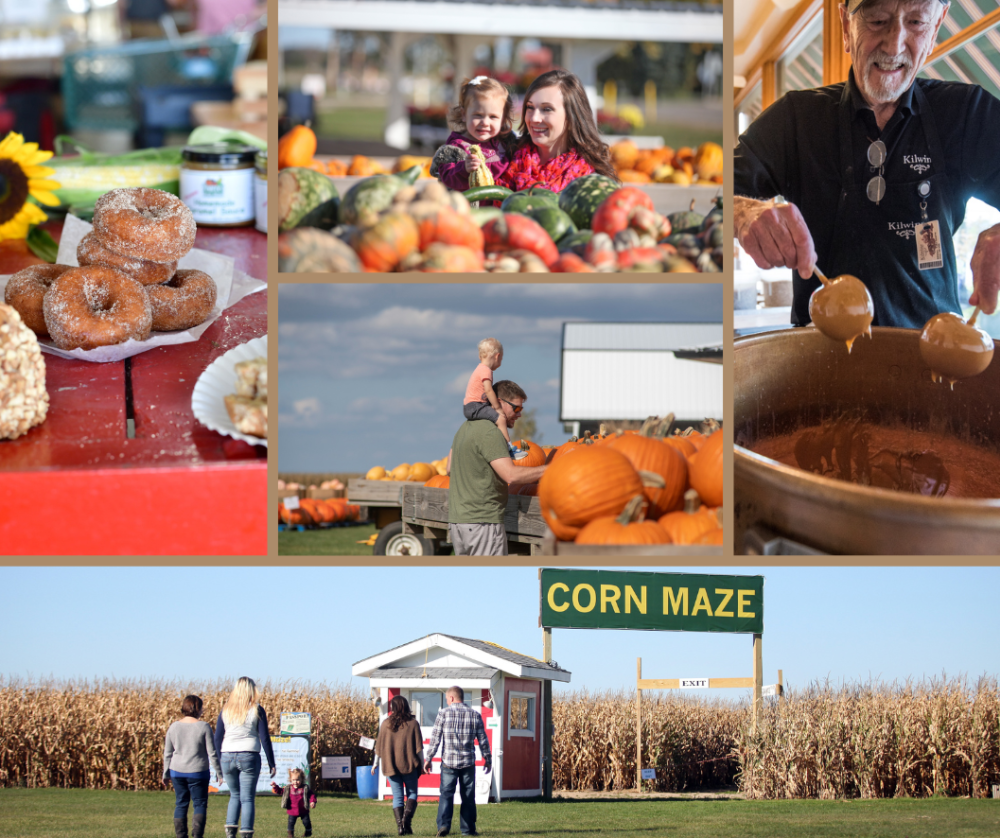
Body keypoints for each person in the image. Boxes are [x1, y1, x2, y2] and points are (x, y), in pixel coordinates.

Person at [733, 0, 1000, 329]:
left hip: (935, 360)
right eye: (877, 20)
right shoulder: (795, 120)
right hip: (816, 366)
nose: (894, 44)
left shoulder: (966, 115)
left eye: (916, 22)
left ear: (936, 28)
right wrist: (742, 212)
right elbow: (706, 198)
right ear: (846, 24)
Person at [447, 379, 548, 556]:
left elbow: (448, 469)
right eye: (516, 408)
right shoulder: (490, 431)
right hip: (483, 523)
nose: (519, 414)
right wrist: (550, 469)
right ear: (499, 403)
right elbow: (511, 475)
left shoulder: (464, 428)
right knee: (490, 580)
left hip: (458, 523)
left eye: (521, 409)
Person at [499, 69, 618, 193]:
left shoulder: (591, 181)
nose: (534, 118)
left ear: (571, 116)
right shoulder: (504, 156)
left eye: (547, 109)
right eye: (530, 107)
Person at [424, 686, 492, 837]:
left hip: (448, 762)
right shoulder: (474, 715)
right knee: (468, 796)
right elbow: (483, 740)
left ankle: (443, 826)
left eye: (448, 699)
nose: (447, 701)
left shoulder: (443, 714)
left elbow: (435, 739)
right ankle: (467, 829)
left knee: (446, 794)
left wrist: (428, 758)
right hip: (468, 763)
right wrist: (487, 759)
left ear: (452, 698)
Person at [214, 676, 277, 838]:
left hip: (227, 756)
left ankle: (230, 833)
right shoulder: (256, 709)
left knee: (234, 795)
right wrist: (271, 762)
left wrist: (217, 765)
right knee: (247, 798)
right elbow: (264, 738)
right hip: (249, 755)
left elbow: (217, 737)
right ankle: (246, 833)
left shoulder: (226, 710)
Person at [434, 76, 516, 193]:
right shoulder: (456, 147)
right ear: (464, 114)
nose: (485, 123)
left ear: (503, 120)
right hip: (470, 207)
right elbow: (446, 176)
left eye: (493, 117)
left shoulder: (504, 143)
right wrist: (464, 169)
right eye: (478, 115)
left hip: (500, 207)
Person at [162, 694, 222, 838]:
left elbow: (168, 753)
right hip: (198, 771)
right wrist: (219, 772)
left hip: (177, 771)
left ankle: (181, 835)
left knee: (181, 803)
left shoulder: (174, 727)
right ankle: (197, 835)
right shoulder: (203, 726)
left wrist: (165, 773)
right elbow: (212, 752)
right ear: (198, 709)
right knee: (200, 804)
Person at [374, 695, 424, 836]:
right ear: (406, 706)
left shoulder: (385, 724)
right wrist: (424, 763)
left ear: (392, 708)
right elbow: (419, 748)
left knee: (397, 796)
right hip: (409, 765)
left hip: (391, 765)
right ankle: (406, 821)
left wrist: (375, 764)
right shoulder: (413, 723)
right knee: (412, 793)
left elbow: (378, 747)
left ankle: (400, 827)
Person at [463, 337, 514, 452]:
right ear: (497, 356)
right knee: (500, 419)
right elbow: (488, 390)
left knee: (493, 418)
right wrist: (498, 408)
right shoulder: (486, 370)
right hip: (475, 406)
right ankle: (509, 447)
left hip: (471, 406)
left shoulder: (479, 369)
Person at [271, 768, 316, 838]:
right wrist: (275, 786)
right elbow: (281, 791)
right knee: (291, 823)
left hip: (303, 810)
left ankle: (308, 831)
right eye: (293, 780)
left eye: (298, 780)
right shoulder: (288, 788)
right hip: (292, 810)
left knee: (306, 822)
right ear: (290, 780)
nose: (295, 782)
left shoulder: (305, 788)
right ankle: (290, 834)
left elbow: (312, 794)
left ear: (302, 779)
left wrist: (312, 801)